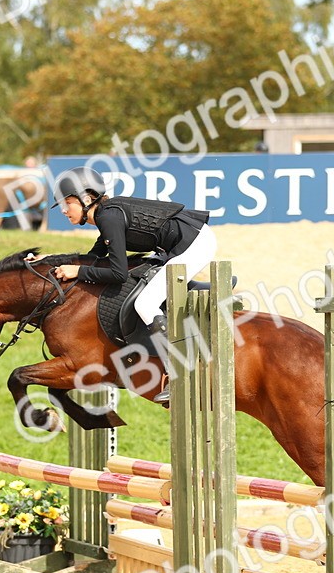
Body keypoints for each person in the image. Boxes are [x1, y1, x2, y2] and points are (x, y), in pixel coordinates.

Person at [34, 165, 216, 403]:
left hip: (194, 245)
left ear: (86, 198)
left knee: (146, 304)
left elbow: (118, 273)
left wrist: (77, 271)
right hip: (180, 245)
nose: (64, 211)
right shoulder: (105, 216)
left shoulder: (109, 216)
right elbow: (94, 259)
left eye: (67, 203)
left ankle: (178, 371)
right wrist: (46, 261)